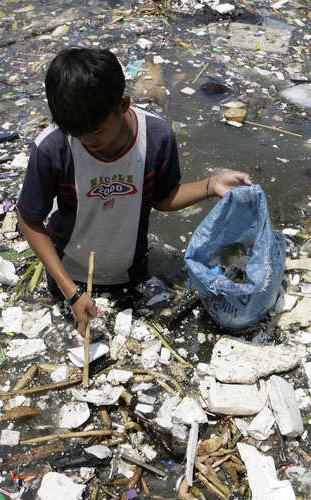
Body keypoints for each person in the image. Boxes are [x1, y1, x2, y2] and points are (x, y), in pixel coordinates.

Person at [17, 47, 251, 336]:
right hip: (70, 277)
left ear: (124, 104)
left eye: (98, 131)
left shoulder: (155, 137)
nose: (88, 141)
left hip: (131, 272)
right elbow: (29, 220)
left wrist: (210, 185)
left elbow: (163, 199)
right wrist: (72, 293)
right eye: (78, 133)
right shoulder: (53, 146)